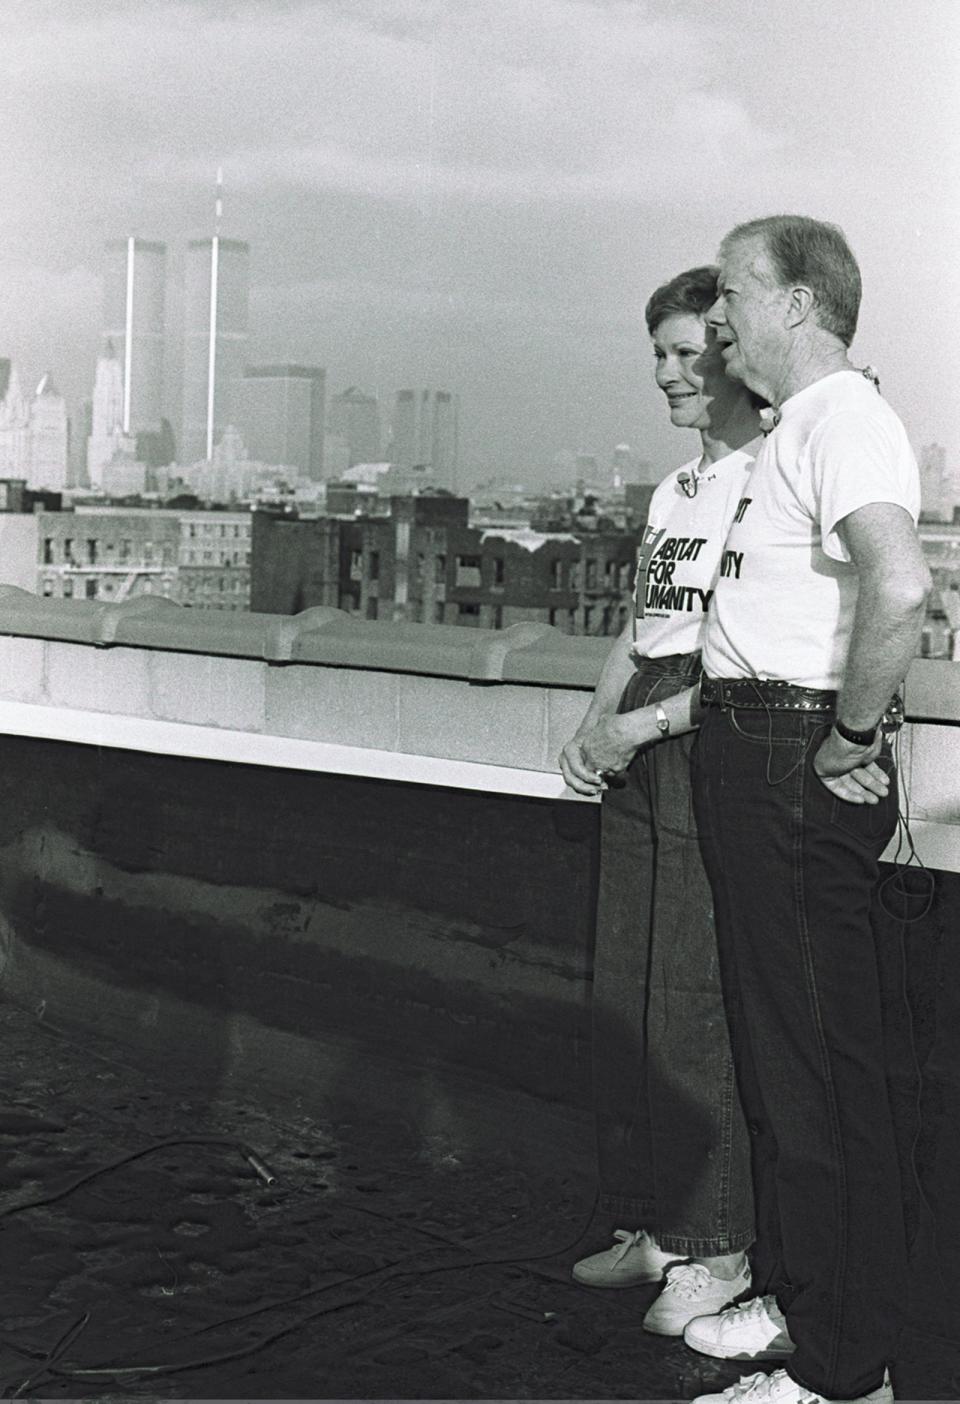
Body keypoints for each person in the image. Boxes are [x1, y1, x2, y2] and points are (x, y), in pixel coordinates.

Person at [679, 216, 931, 1404]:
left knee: (823, 1076)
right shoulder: (797, 430)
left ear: (800, 305)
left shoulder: (847, 422)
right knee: (779, 1062)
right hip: (750, 751)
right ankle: (794, 1292)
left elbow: (903, 582)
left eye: (732, 292)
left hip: (790, 755)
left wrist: (851, 735)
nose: (716, 315)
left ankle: (845, 1373)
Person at [560, 266, 761, 1338]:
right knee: (628, 991)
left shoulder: (770, 479)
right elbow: (641, 626)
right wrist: (595, 722)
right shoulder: (677, 490)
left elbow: (736, 660)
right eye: (658, 356)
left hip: (702, 731)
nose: (667, 376)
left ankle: (716, 1244)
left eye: (688, 355)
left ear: (737, 355)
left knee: (692, 1000)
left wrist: (638, 725)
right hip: (642, 719)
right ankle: (654, 1223)